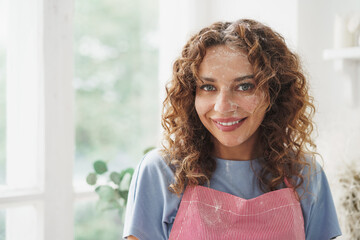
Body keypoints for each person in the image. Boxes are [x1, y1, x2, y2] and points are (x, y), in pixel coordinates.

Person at [123, 19, 342, 240]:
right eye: (208, 87)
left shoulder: (305, 174)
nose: (223, 106)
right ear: (191, 95)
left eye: (244, 86)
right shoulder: (162, 173)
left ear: (274, 92)